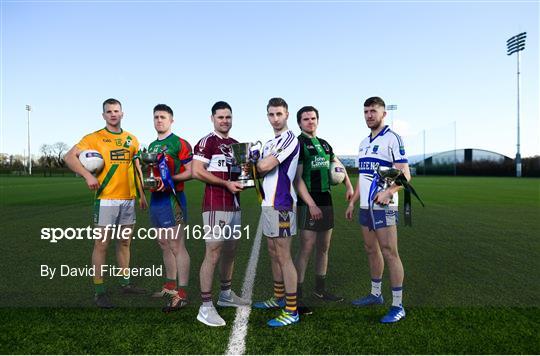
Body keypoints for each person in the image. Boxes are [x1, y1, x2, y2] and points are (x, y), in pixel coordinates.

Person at [65, 98, 147, 309]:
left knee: (125, 243)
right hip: (106, 199)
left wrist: (141, 194)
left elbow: (136, 166)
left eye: (116, 111)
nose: (113, 114)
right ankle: (99, 291)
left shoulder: (132, 139)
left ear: (122, 114)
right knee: (101, 244)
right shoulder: (93, 138)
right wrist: (87, 175)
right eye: (109, 111)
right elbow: (68, 157)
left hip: (128, 200)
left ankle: (125, 283)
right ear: (103, 115)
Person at [345, 96, 411, 323]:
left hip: (385, 206)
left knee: (389, 252)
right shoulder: (363, 142)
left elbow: (406, 175)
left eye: (373, 111)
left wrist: (389, 192)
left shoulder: (393, 138)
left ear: (383, 113)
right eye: (366, 112)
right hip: (365, 206)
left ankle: (398, 305)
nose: (369, 115)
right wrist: (353, 201)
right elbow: (363, 178)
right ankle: (375, 294)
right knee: (370, 249)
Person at [192, 101, 250, 327]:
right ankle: (205, 307)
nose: (225, 121)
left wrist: (246, 177)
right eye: (221, 117)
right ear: (212, 119)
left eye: (228, 117)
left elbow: (240, 173)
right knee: (213, 251)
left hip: (234, 204)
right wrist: (225, 183)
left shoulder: (236, 144)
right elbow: (197, 171)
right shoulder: (208, 142)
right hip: (215, 204)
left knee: (231, 251)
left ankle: (225, 294)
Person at [293, 106, 354, 315]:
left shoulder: (326, 145)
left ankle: (320, 290)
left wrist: (348, 185)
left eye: (313, 118)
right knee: (306, 247)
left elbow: (338, 167)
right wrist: (311, 204)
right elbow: (297, 179)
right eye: (305, 119)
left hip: (326, 198)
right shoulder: (299, 144)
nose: (310, 122)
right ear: (299, 123)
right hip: (308, 201)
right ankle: (297, 297)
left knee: (324, 247)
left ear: (317, 120)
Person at [252, 97, 300, 328]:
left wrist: (253, 165)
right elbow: (258, 170)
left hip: (282, 203)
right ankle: (278, 297)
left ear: (287, 115)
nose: (275, 118)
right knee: (273, 252)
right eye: (271, 114)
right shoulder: (270, 142)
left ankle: (291, 310)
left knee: (284, 255)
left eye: (279, 114)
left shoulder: (290, 138)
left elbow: (263, 167)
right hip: (267, 203)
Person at [146, 104, 192, 312]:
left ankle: (182, 294)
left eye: (163, 117)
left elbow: (191, 171)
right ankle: (170, 285)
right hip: (156, 200)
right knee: (163, 243)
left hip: (173, 199)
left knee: (176, 245)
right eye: (156, 117)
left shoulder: (180, 143)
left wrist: (170, 179)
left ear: (171, 120)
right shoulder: (151, 146)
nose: (159, 120)